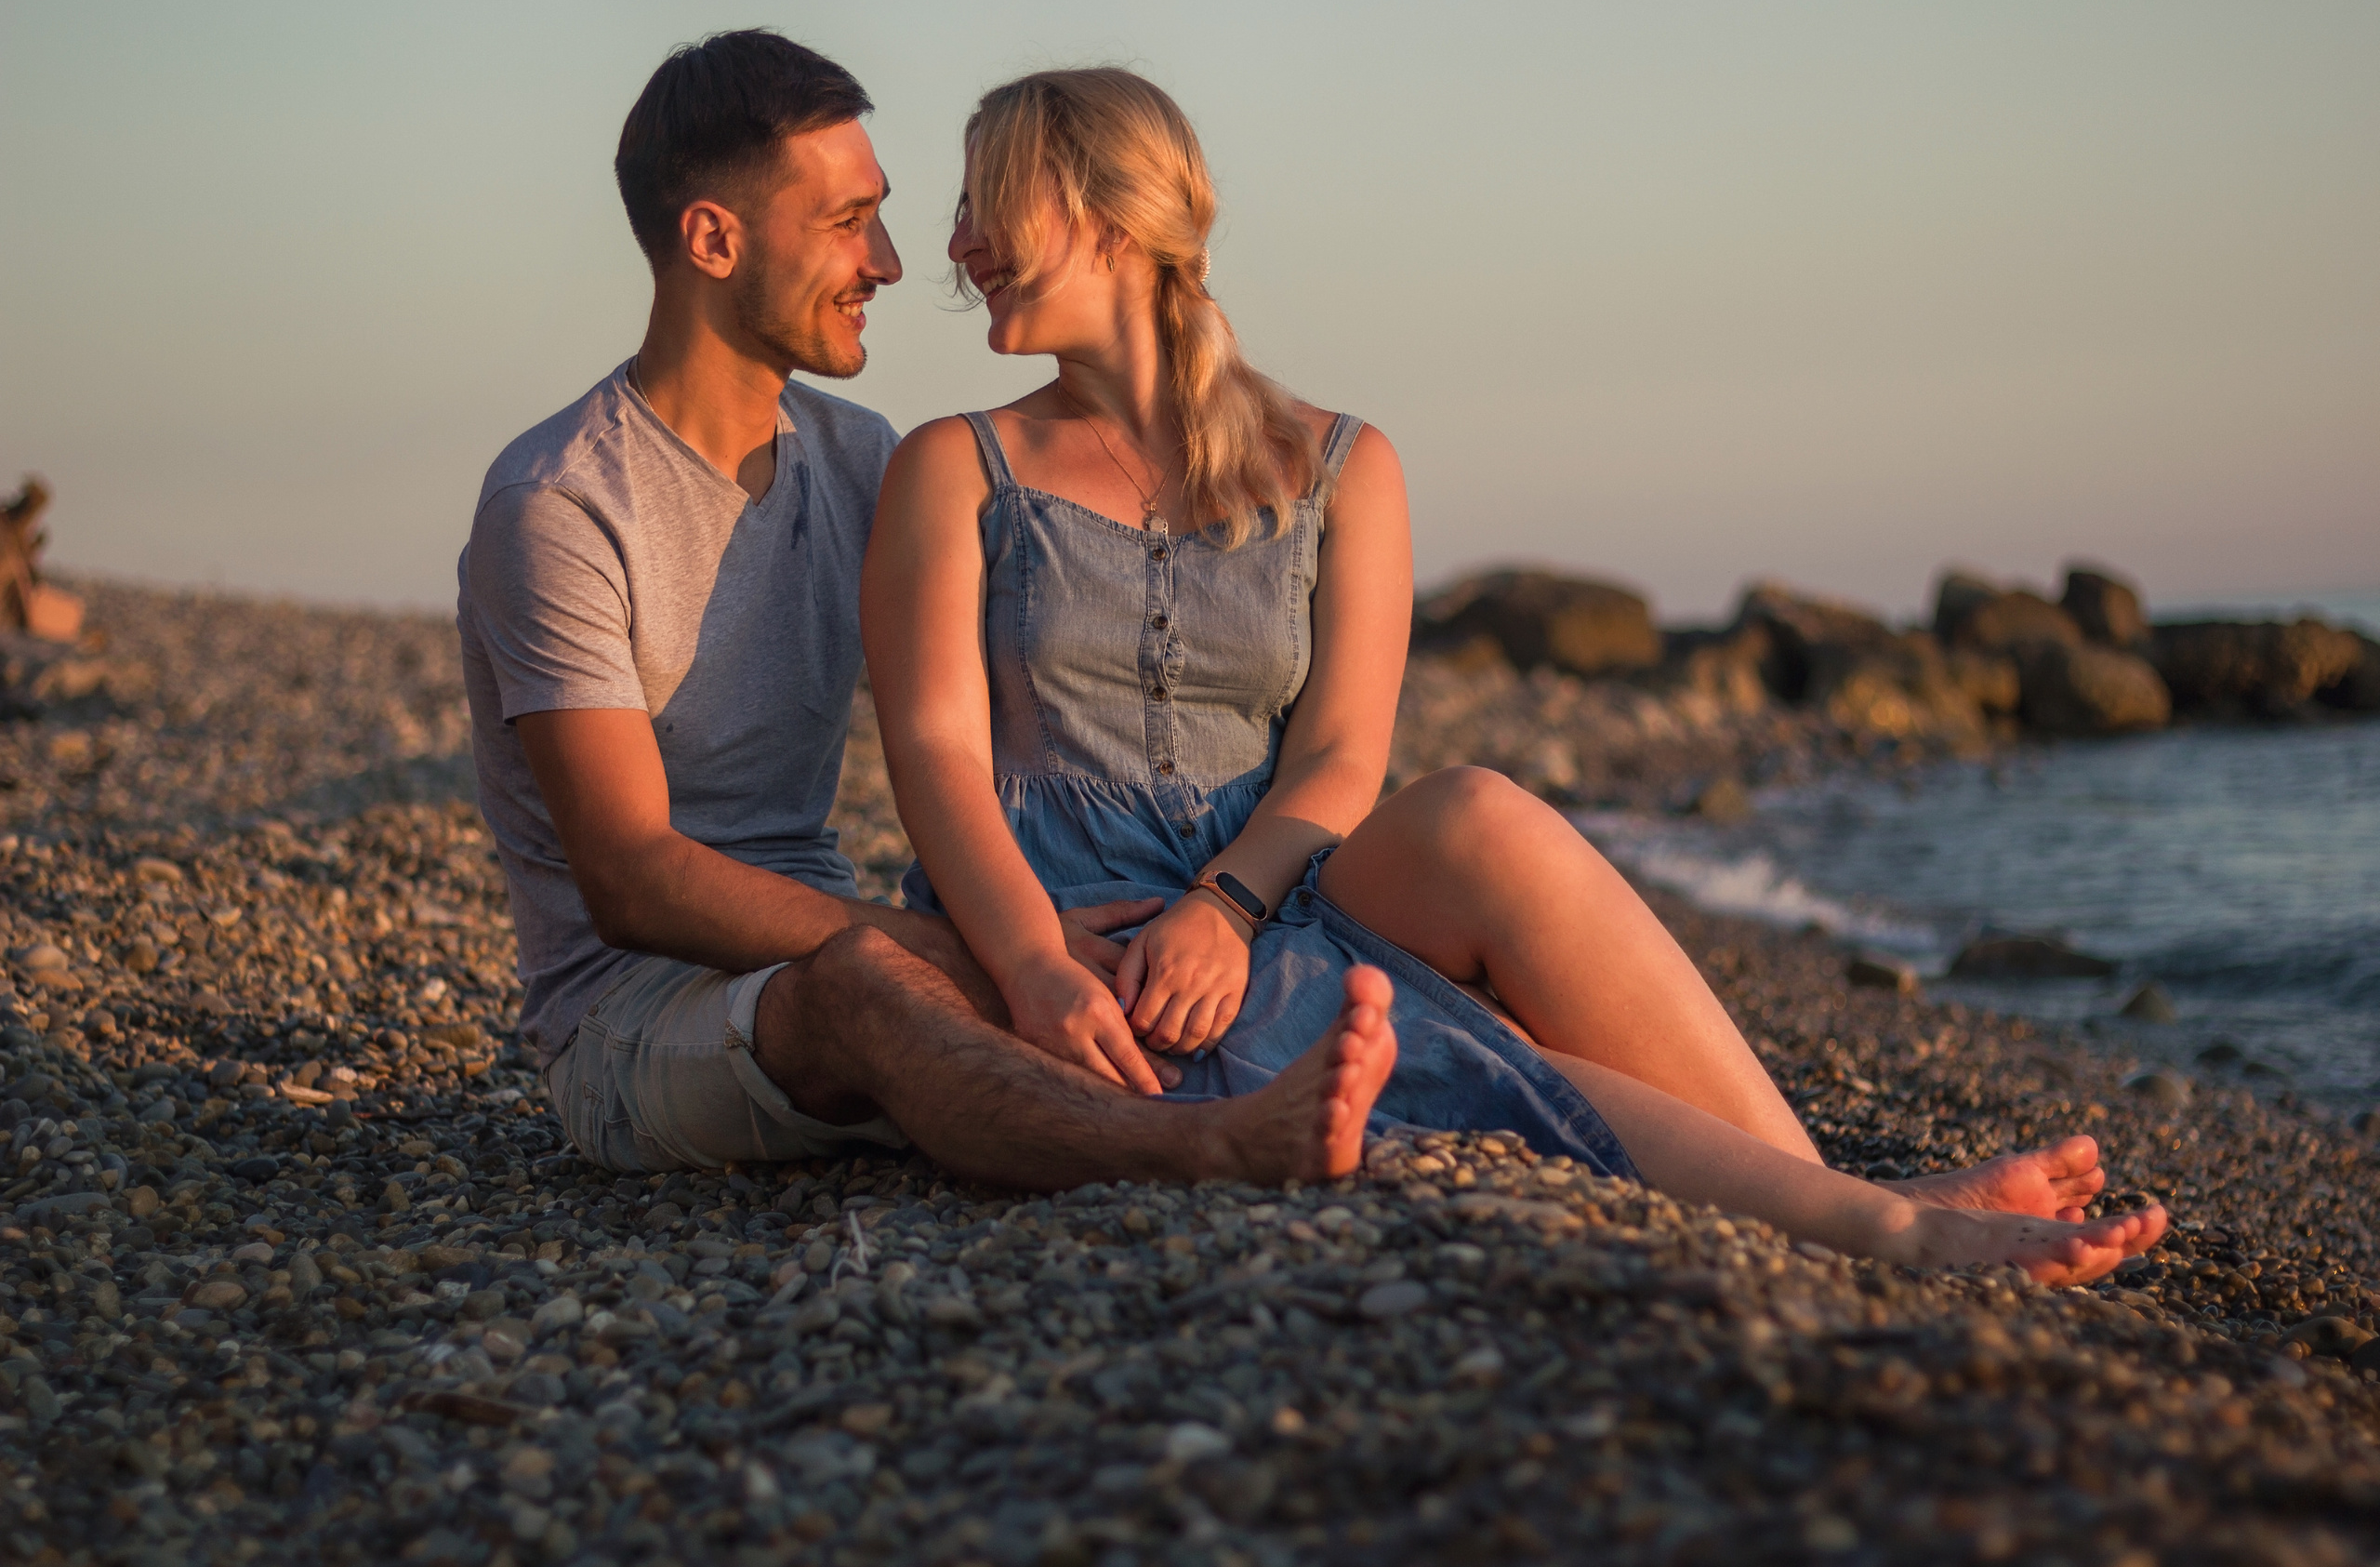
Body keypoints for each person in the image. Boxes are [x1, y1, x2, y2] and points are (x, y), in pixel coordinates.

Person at [862, 66, 2166, 1282]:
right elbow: (933, 751)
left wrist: (1228, 905)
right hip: (1074, 914)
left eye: (986, 199)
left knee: (1483, 808)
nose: (958, 243)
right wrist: (1032, 960)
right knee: (1473, 1057)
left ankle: (1843, 1191)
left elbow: (1337, 759)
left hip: (1270, 878)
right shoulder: (955, 464)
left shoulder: (1340, 464)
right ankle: (1883, 1219)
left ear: (1106, 212)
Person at [457, 30, 1407, 1197]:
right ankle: (1207, 1148)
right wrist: (970, 947)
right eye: (846, 222)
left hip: (831, 931)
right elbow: (634, 879)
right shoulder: (560, 503)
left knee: (1008, 976)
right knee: (877, 986)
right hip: (633, 1013)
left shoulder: (860, 459)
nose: (896, 262)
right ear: (714, 237)